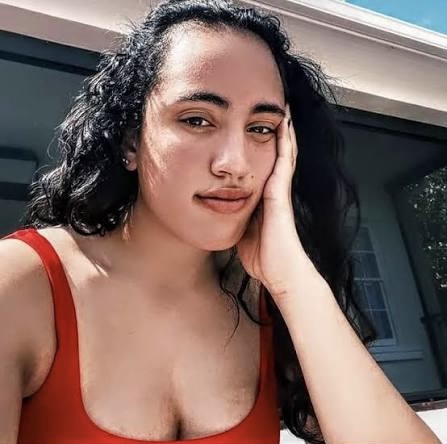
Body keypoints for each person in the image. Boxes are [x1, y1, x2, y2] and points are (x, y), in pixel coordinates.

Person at [0, 0, 441, 443]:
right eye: (197, 120)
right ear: (130, 140)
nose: (235, 164)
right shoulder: (21, 283)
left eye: (261, 128)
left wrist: (294, 281)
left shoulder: (264, 299)